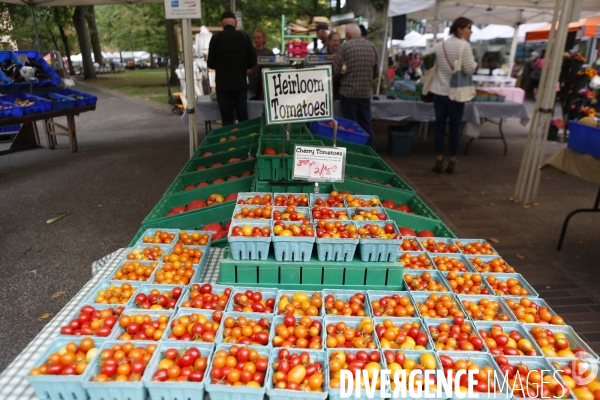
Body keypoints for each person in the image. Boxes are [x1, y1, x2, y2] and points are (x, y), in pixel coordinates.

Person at [430, 17, 477, 174]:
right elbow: (470, 69)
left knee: (439, 128)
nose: (471, 31)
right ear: (459, 29)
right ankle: (451, 161)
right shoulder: (465, 46)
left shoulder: (440, 45)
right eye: (469, 28)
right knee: (455, 129)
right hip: (455, 93)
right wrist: (475, 64)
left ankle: (438, 159)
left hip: (438, 91)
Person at [333, 23, 379, 150]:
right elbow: (376, 73)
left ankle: (353, 152)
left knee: (350, 125)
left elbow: (335, 71)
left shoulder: (345, 47)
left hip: (348, 93)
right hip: (365, 93)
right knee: (366, 124)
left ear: (348, 35)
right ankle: (371, 151)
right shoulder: (372, 47)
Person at [207, 11, 257, 126]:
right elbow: (253, 61)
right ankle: (244, 141)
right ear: (235, 22)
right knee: (243, 117)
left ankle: (228, 141)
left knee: (226, 119)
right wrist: (242, 67)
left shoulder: (216, 38)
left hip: (222, 86)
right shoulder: (244, 37)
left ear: (222, 24)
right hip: (240, 84)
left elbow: (211, 63)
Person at [247, 28, 274, 100]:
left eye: (258, 38)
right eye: (254, 38)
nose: (256, 40)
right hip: (253, 86)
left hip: (266, 86)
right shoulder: (250, 52)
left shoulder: (269, 53)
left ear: (264, 38)